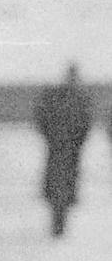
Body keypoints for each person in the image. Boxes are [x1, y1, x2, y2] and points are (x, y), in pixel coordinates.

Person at [34, 63, 93, 237]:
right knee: (60, 191)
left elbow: (85, 124)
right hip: (61, 150)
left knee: (62, 191)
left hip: (65, 150)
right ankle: (58, 227)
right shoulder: (66, 97)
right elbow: (42, 118)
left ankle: (59, 227)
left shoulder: (76, 98)